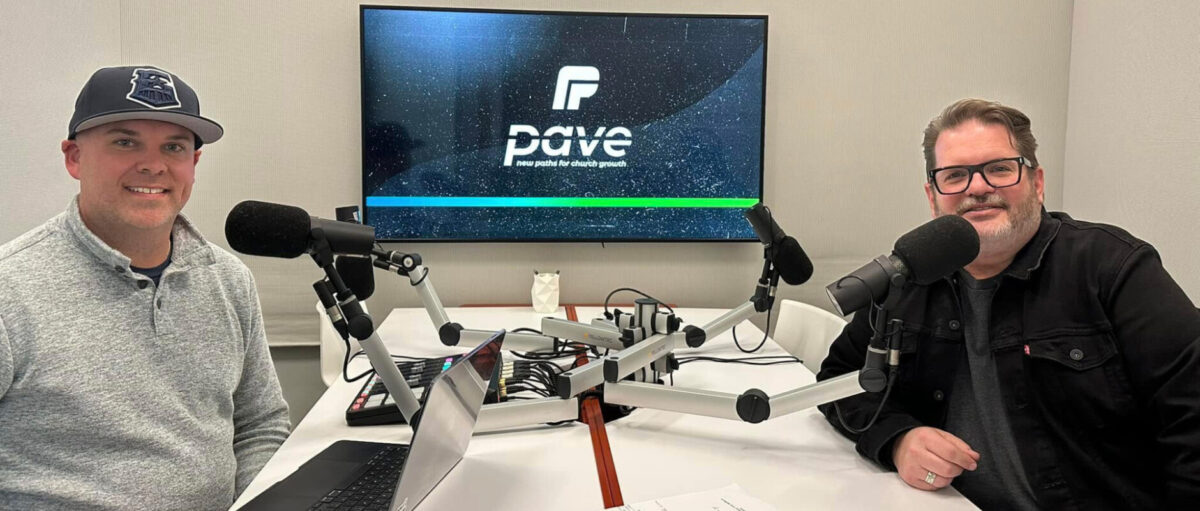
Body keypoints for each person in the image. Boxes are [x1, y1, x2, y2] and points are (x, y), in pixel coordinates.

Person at [817, 98, 1200, 510]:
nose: (977, 188)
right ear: (933, 196)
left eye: (999, 169)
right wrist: (897, 439)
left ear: (1037, 182)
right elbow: (838, 381)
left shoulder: (1112, 268)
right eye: (955, 175)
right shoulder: (909, 280)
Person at [0, 66, 290, 509]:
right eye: (125, 142)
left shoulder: (227, 279)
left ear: (193, 164)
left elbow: (260, 425)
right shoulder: (10, 291)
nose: (153, 165)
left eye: (173, 147)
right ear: (74, 157)